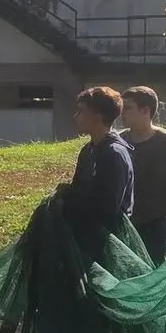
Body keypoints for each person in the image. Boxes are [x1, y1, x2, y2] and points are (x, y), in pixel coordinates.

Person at [59, 86, 134, 245]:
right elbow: (78, 189)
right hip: (84, 236)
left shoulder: (114, 154)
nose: (75, 116)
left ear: (98, 117)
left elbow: (107, 210)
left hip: (107, 243)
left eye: (81, 111)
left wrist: (71, 206)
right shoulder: (88, 150)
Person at [120, 86, 166, 264]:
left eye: (127, 107)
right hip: (124, 223)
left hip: (157, 223)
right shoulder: (119, 142)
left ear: (145, 110)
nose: (122, 112)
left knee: (153, 270)